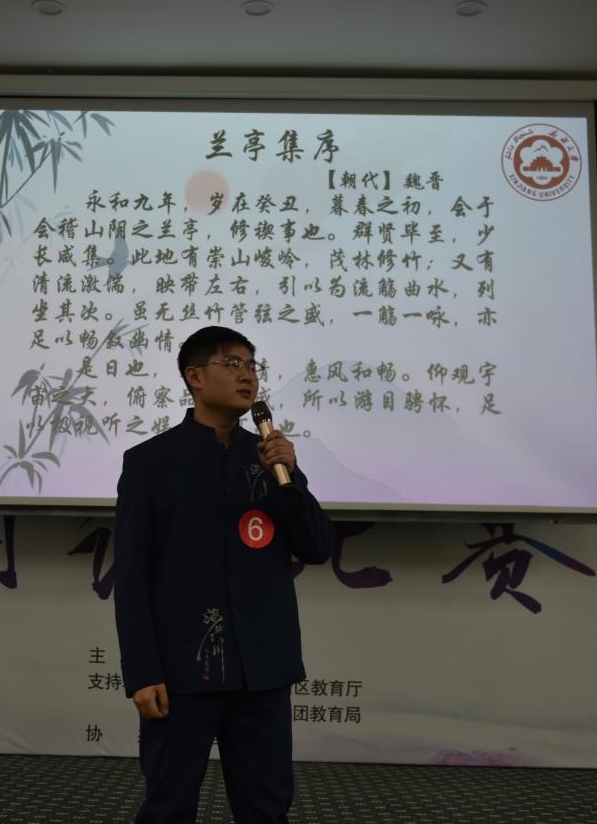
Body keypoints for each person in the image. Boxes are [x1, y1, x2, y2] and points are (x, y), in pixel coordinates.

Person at [113, 326, 335, 824]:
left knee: (266, 808)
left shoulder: (270, 459)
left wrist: (291, 479)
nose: (247, 376)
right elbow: (131, 576)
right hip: (183, 670)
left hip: (263, 670)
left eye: (252, 366)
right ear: (194, 377)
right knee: (169, 806)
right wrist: (143, 672)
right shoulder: (150, 463)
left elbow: (318, 547)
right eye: (232, 364)